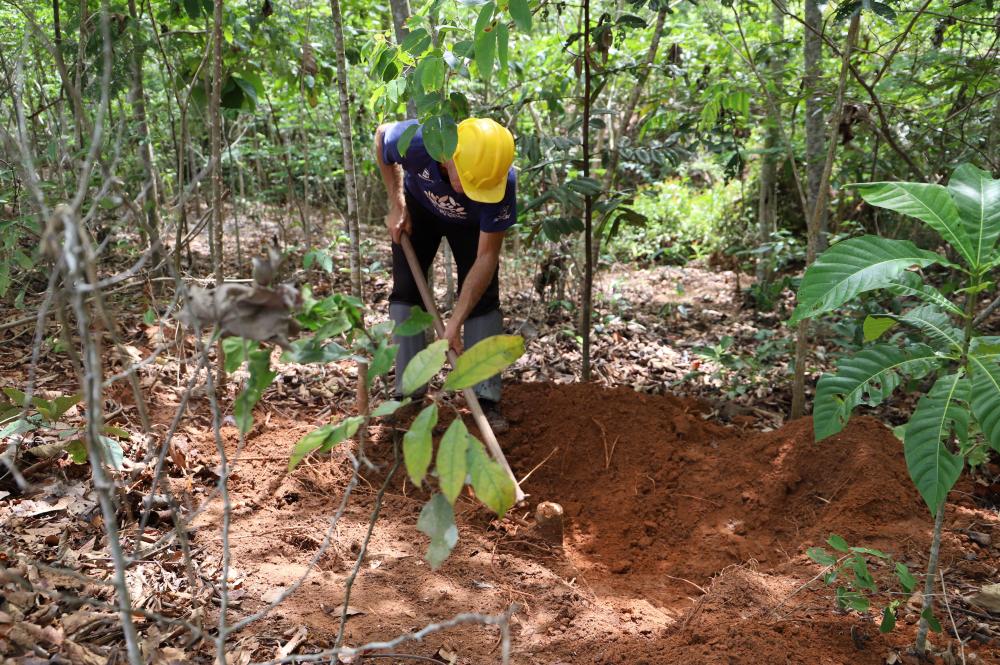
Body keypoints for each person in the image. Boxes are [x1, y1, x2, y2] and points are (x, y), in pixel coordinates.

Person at [375, 117, 516, 432]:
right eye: (470, 182)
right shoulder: (420, 140)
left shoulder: (501, 180)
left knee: (484, 299)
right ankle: (408, 395)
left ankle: (485, 399)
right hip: (420, 209)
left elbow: (486, 256)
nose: (476, 192)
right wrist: (396, 201)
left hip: (469, 227)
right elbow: (382, 136)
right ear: (447, 156)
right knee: (407, 292)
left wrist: (453, 325)